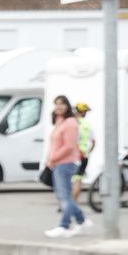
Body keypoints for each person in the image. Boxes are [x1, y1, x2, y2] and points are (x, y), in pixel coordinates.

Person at [45, 95, 88, 238]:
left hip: (66, 163)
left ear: (68, 106)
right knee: (64, 195)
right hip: (59, 163)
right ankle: (82, 219)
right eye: (56, 104)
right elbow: (54, 144)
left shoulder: (70, 123)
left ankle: (64, 225)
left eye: (62, 104)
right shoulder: (60, 121)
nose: (59, 107)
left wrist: (53, 158)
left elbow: (69, 146)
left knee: (65, 196)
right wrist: (49, 159)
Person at [72, 101, 95, 204]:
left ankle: (67, 203)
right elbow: (94, 142)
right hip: (83, 156)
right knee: (78, 180)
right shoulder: (88, 125)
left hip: (71, 156)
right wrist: (87, 152)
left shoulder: (72, 123)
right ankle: (72, 202)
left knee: (67, 180)